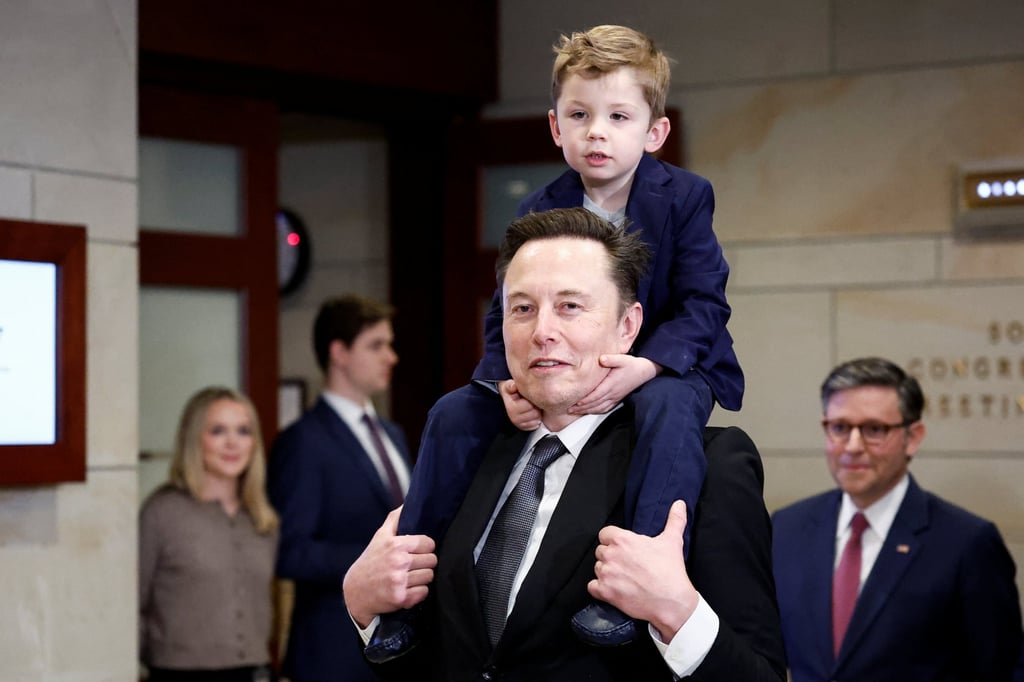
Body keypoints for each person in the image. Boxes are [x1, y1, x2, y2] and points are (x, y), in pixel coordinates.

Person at [377, 23, 742, 657]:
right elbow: (505, 311)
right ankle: (407, 592)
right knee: (454, 411)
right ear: (555, 126)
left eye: (618, 116)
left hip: (665, 365)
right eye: (580, 115)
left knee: (666, 410)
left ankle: (630, 589)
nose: (597, 132)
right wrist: (504, 380)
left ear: (653, 132)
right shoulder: (537, 208)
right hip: (559, 365)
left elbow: (705, 302)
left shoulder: (685, 196)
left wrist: (648, 365)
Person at [344, 207, 785, 680]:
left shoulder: (712, 465)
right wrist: (364, 610)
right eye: (523, 309)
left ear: (628, 326)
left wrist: (679, 614)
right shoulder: (466, 453)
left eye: (570, 306)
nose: (542, 333)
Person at [772, 357, 1023, 681]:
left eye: (874, 430)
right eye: (840, 428)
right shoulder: (787, 529)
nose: (853, 446)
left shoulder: (967, 543)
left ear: (913, 437)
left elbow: (1002, 670)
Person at [268, 295, 412, 682]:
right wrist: (376, 561)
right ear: (339, 353)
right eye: (376, 345)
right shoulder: (303, 441)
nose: (391, 357)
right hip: (331, 652)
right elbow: (290, 552)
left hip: (397, 653)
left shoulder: (393, 435)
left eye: (390, 344)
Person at [139, 387, 279, 682]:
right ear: (194, 439)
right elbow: (131, 606)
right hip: (178, 673)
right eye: (217, 431)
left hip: (255, 672)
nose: (232, 443)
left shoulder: (262, 518)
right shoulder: (161, 512)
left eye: (243, 431)